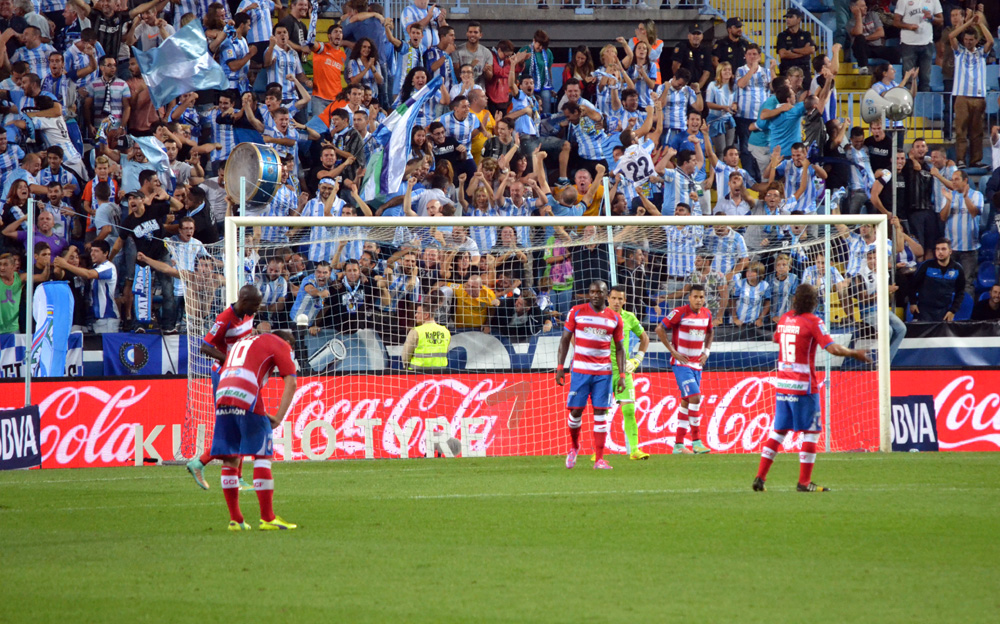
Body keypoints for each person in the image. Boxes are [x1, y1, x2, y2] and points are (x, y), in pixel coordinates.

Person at [753, 284, 871, 492]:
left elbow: (776, 338)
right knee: (811, 433)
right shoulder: (814, 321)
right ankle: (804, 483)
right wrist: (855, 353)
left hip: (783, 384)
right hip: (803, 386)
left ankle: (760, 478)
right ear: (814, 301)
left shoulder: (785, 318)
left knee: (779, 432)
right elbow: (832, 348)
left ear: (795, 299)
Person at [212, 330, 298, 531]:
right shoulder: (280, 344)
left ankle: (236, 520)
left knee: (230, 457)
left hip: (223, 392)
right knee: (262, 456)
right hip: (246, 390)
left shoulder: (247, 341)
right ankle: (268, 518)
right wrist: (278, 417)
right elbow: (291, 383)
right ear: (287, 342)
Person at [185, 283, 262, 491]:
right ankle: (202, 464)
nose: (257, 309)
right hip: (224, 376)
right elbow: (205, 346)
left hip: (241, 375)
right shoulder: (224, 319)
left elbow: (245, 336)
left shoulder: (248, 315)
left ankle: (228, 474)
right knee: (234, 426)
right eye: (255, 305)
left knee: (241, 425)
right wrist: (232, 359)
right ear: (244, 301)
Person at [555, 280, 626, 470]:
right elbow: (565, 339)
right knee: (576, 411)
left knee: (601, 412)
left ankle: (600, 459)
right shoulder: (577, 311)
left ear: (606, 295)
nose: (595, 295)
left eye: (599, 292)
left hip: (603, 373)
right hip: (580, 371)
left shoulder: (615, 318)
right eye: (592, 292)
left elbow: (620, 349)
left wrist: (623, 375)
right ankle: (574, 447)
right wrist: (560, 366)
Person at [656, 284, 713, 454]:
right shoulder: (680, 312)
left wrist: (707, 352)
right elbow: (659, 329)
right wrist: (673, 351)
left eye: (701, 297)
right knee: (695, 397)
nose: (698, 300)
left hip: (697, 364)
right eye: (695, 296)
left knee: (687, 401)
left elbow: (710, 332)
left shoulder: (707, 314)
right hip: (681, 364)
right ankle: (696, 441)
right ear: (689, 297)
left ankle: (679, 445)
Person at [606, 284, 650, 461]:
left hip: (623, 371)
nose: (617, 302)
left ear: (625, 300)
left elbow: (644, 337)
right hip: (602, 371)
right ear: (608, 299)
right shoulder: (600, 317)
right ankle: (599, 451)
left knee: (630, 410)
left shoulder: (629, 317)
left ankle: (634, 450)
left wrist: (637, 360)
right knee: (600, 412)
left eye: (620, 299)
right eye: (614, 298)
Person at [948, 10, 993, 168]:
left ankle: (976, 160)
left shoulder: (981, 53)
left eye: (971, 39)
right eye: (966, 39)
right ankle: (960, 160)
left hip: (979, 97)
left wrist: (979, 23)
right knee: (960, 130)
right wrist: (968, 23)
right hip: (961, 96)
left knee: (977, 131)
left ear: (976, 40)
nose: (968, 42)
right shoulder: (959, 52)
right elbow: (951, 36)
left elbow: (991, 41)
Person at [939, 170, 982, 297]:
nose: (953, 182)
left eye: (957, 179)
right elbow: (943, 217)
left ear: (965, 180)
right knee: (948, 282)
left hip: (969, 249)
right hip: (951, 249)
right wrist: (948, 201)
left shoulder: (976, 195)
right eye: (952, 179)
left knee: (967, 283)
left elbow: (974, 212)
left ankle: (967, 315)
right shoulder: (949, 195)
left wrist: (965, 197)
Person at [906, 238, 966, 322]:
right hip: (924, 310)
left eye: (943, 249)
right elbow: (913, 285)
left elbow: (960, 292)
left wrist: (953, 310)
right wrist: (913, 302)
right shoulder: (926, 266)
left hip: (944, 312)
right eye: (937, 249)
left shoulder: (957, 269)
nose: (940, 252)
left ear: (950, 251)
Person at [893, 0, 943, 93]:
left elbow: (941, 20)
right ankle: (907, 105)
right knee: (908, 80)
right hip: (908, 44)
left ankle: (923, 106)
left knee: (925, 81)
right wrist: (909, 26)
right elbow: (896, 22)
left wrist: (931, 17)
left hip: (927, 44)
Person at [400, 303, 450, 368]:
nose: (415, 315)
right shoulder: (445, 331)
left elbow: (406, 355)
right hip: (440, 372)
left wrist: (405, 366)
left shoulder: (416, 331)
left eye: (418, 313)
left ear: (426, 315)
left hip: (417, 373)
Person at [777, 8, 816, 83]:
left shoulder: (806, 35)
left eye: (791, 17)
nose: (788, 19)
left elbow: (811, 50)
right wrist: (803, 52)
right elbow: (783, 54)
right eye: (787, 17)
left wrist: (792, 50)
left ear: (799, 19)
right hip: (787, 71)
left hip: (804, 71)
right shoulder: (782, 36)